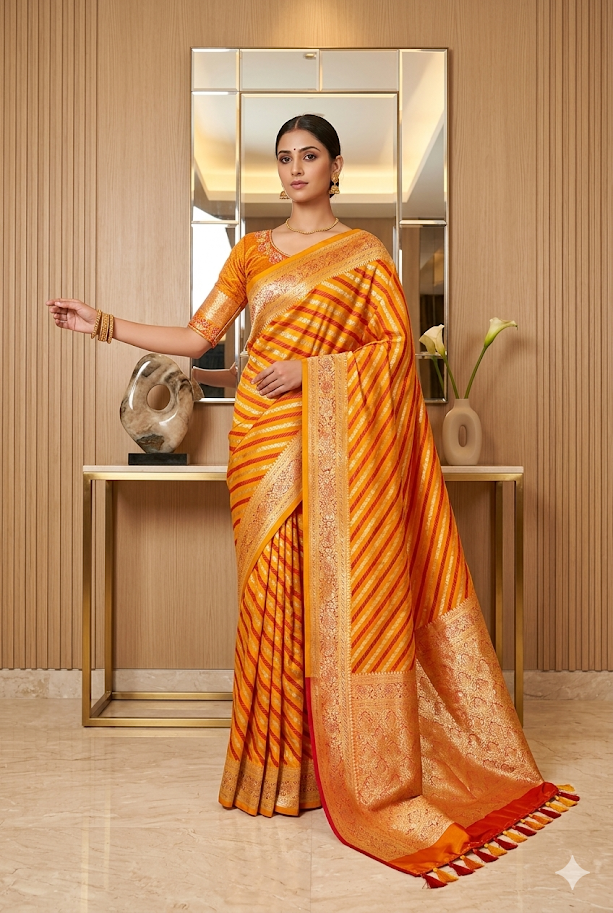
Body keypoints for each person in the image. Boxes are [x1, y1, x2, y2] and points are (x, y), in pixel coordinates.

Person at [47, 114, 575, 887]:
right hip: (259, 446)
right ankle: (274, 768)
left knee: (333, 599)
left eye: (309, 156)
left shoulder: (366, 255)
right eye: (284, 158)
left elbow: (393, 353)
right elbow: (198, 338)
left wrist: (313, 371)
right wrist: (99, 323)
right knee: (270, 601)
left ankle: (337, 767)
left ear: (335, 167)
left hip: (332, 445)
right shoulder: (251, 253)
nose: (295, 169)